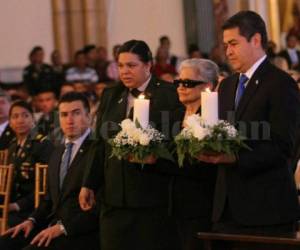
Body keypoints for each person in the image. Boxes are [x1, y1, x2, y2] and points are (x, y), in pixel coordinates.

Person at [199, 10, 300, 249]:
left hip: (265, 209)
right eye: (225, 45)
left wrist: (235, 157)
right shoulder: (228, 85)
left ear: (256, 40)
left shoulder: (280, 83)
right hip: (226, 210)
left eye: (234, 43)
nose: (228, 51)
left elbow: (284, 146)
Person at [79, 39, 182, 250]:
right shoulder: (111, 94)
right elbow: (99, 143)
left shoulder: (168, 94)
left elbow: (174, 144)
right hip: (113, 197)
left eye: (131, 65)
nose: (124, 71)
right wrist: (88, 183)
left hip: (151, 198)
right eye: (120, 66)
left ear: (148, 65)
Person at [0, 92, 100, 250]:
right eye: (64, 114)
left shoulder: (99, 150)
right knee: (4, 242)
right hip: (50, 225)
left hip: (79, 232)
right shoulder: (58, 151)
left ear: (89, 116)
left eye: (76, 113)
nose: (69, 120)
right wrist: (31, 221)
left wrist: (62, 228)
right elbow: (48, 199)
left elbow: (101, 204)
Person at [172, 59, 218, 250]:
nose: (181, 87)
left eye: (188, 83)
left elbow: (204, 164)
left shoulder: (213, 117)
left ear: (207, 86)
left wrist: (157, 159)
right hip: (173, 207)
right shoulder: (173, 115)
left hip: (201, 206)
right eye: (179, 82)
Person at [5, 101, 53, 228]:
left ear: (33, 119)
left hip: (32, 208)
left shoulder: (43, 144)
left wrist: (17, 205)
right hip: (10, 204)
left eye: (25, 115)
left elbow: (46, 187)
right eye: (15, 116)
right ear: (9, 122)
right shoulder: (12, 146)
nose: (20, 120)